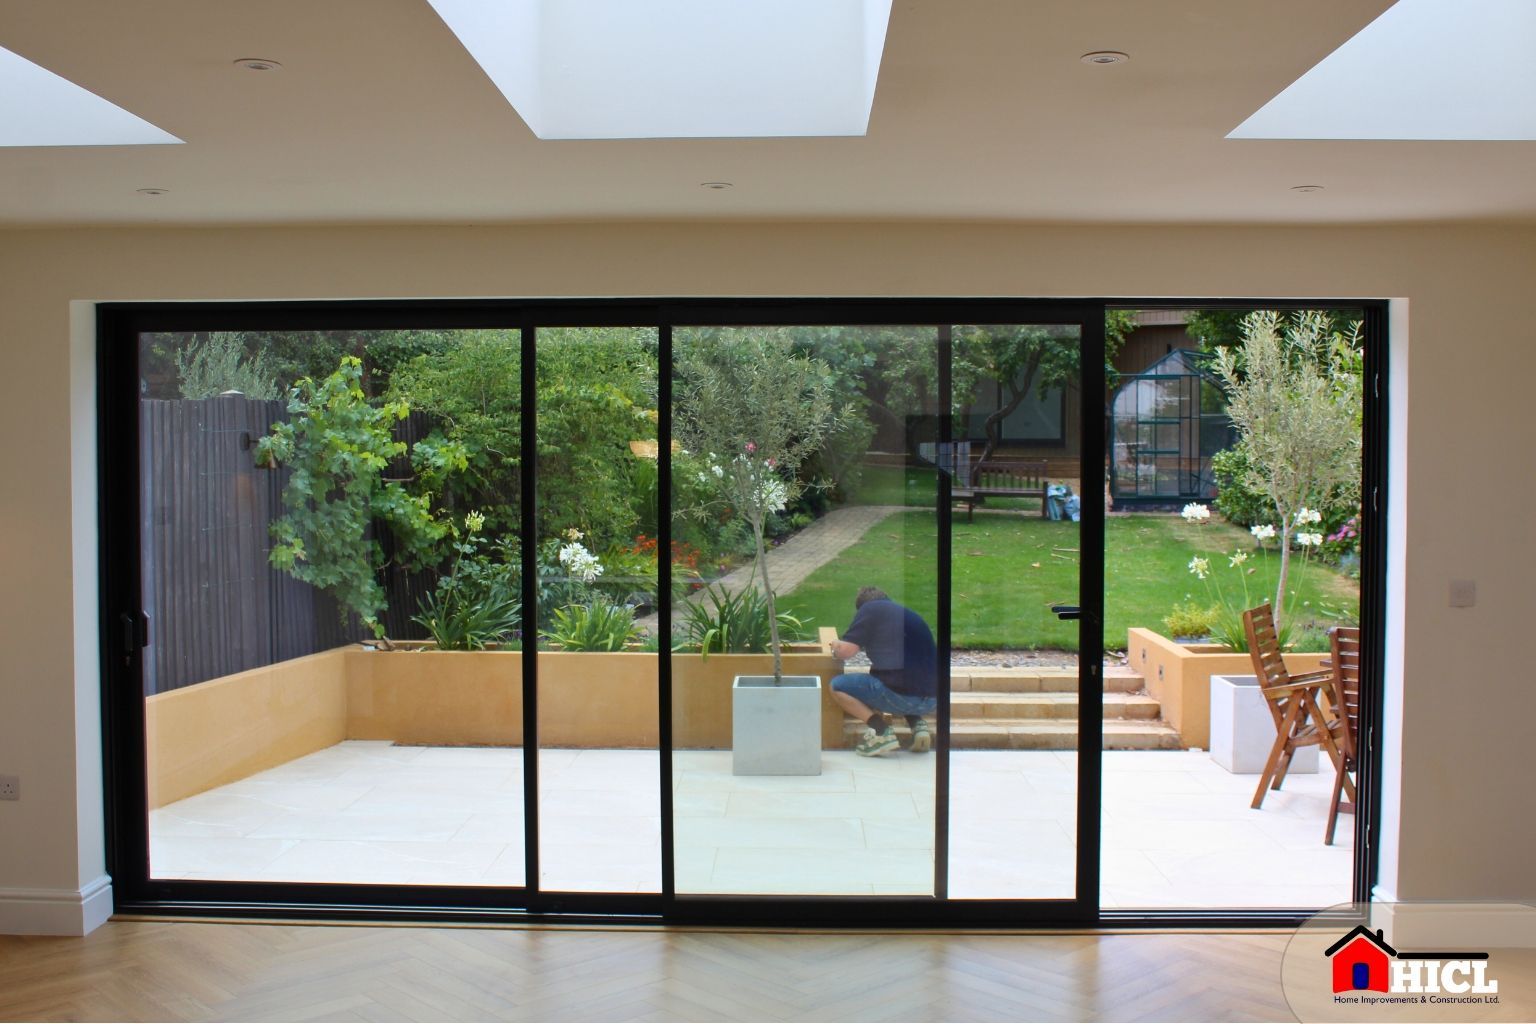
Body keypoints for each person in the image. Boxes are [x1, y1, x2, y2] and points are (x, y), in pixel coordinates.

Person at [828, 586, 938, 757]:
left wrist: (835, 645)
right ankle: (918, 725)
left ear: (862, 607)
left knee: (837, 686)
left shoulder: (870, 609)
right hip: (933, 698)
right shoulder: (905, 613)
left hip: (903, 697)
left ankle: (881, 732)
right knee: (887, 676)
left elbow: (846, 652)